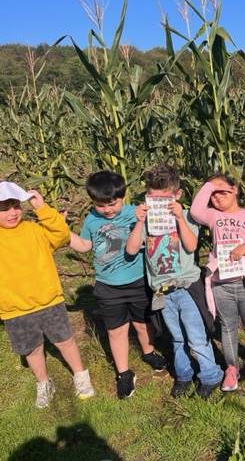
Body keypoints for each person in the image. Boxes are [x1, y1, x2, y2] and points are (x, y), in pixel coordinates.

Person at [126, 165, 223, 399]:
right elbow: (131, 250)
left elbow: (190, 246)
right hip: (161, 291)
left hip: (186, 287)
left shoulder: (187, 216)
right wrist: (138, 222)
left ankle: (211, 375)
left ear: (177, 195)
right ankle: (183, 374)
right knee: (176, 337)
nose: (157, 203)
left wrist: (179, 217)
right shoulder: (145, 220)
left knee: (197, 337)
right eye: (152, 198)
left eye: (164, 199)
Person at [69, 171, 166, 399]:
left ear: (124, 196)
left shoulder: (135, 212)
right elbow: (85, 245)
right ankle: (123, 373)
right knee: (116, 331)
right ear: (92, 202)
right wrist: (64, 235)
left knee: (143, 324)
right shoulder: (91, 219)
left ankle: (148, 352)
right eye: (101, 205)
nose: (108, 210)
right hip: (107, 285)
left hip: (137, 281)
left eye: (112, 204)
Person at [0, 181, 94, 408]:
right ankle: (43, 383)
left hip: (49, 300)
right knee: (32, 349)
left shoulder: (35, 230)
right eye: (4, 208)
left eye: (15, 206)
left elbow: (61, 234)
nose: (12, 213)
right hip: (15, 309)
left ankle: (80, 375)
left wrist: (42, 208)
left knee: (65, 341)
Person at [191, 173, 245, 391]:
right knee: (227, 327)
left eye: (223, 191)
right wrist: (209, 185)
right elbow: (195, 211)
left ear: (235, 190)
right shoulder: (212, 216)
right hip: (222, 282)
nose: (217, 197)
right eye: (213, 194)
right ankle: (231, 368)